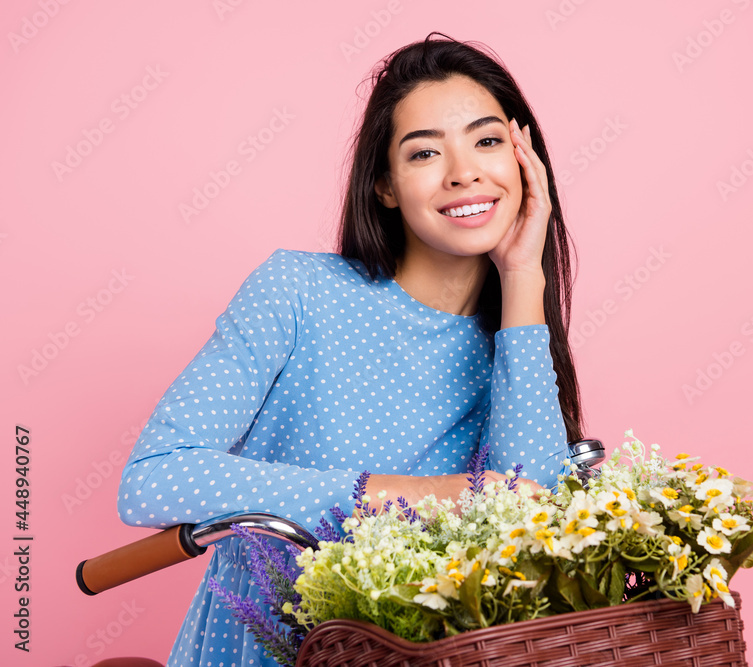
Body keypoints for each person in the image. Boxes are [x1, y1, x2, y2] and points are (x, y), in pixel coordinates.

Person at [116, 32, 584, 666]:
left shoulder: (511, 343)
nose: (464, 171)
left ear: (526, 159)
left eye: (488, 141)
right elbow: (152, 480)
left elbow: (536, 531)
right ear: (386, 185)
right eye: (424, 153)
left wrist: (525, 277)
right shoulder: (298, 291)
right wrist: (395, 494)